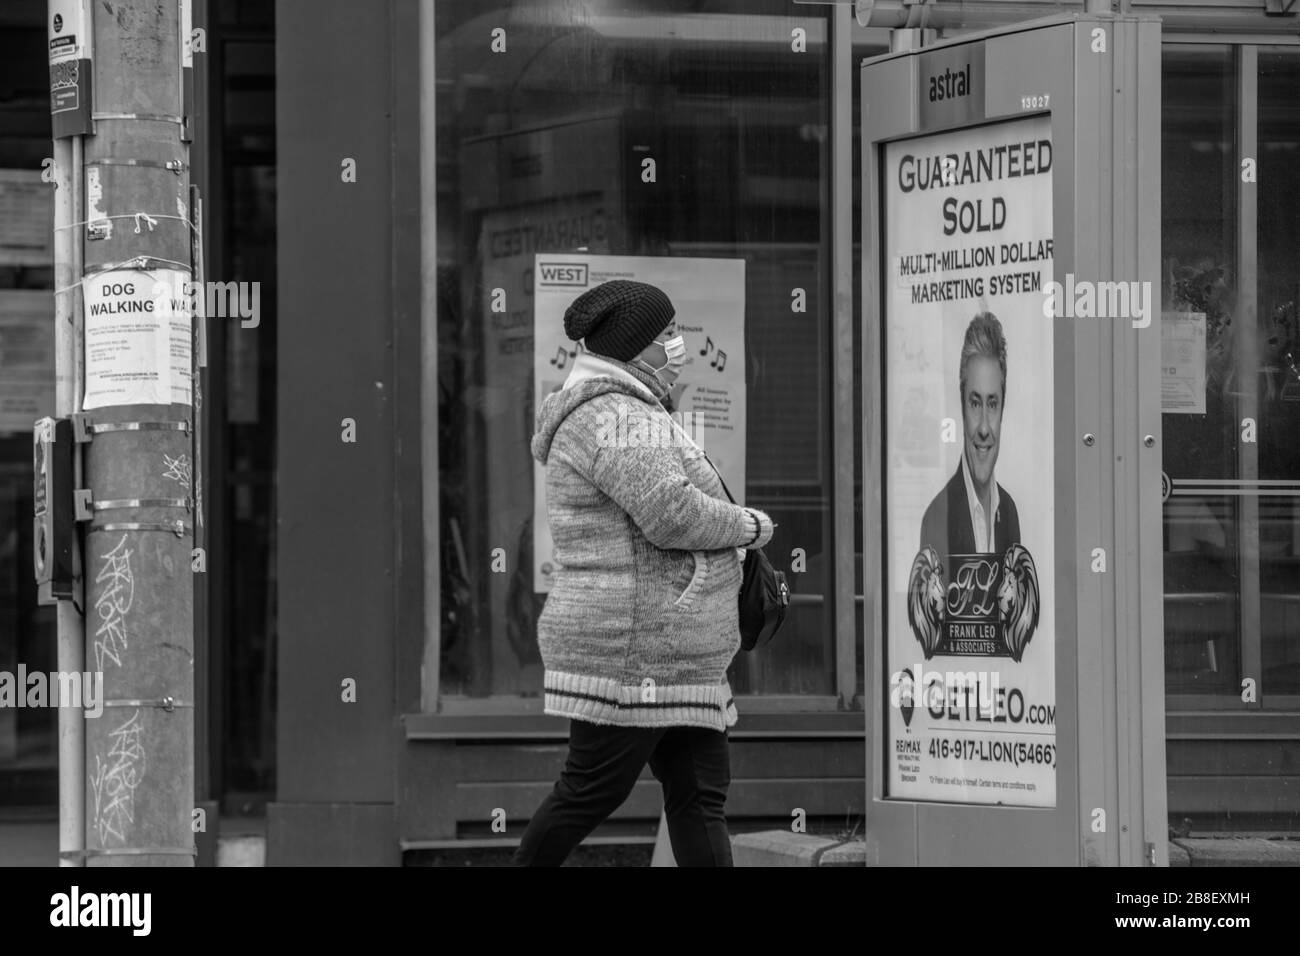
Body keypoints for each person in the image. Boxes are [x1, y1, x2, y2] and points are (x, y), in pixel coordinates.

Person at [516, 279, 774, 867]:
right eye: (666, 334)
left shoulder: (636, 409)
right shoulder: (614, 416)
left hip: (677, 650)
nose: (679, 344)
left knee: (699, 797)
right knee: (591, 791)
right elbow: (670, 513)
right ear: (633, 348)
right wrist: (749, 527)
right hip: (632, 652)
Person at [919, 311, 1021, 559]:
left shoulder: (1009, 513)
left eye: (992, 404)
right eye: (975, 403)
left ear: (1003, 408)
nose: (985, 428)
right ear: (962, 407)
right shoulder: (937, 517)